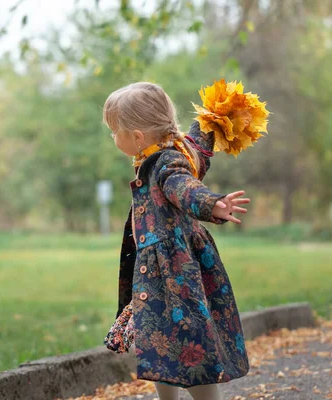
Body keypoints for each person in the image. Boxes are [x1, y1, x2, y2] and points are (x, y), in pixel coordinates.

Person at [103, 82, 251, 400]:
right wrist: (214, 117)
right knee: (156, 339)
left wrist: (212, 204)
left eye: (115, 130)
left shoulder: (165, 164)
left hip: (176, 273)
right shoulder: (179, 149)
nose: (113, 137)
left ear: (137, 136)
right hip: (159, 270)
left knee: (188, 340)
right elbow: (200, 144)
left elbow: (184, 188)